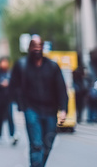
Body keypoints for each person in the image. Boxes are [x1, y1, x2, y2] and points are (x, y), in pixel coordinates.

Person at [10, 37, 68, 167]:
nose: (37, 48)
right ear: (29, 48)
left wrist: (63, 109)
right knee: (36, 144)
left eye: (40, 45)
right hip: (31, 109)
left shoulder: (52, 66)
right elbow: (13, 86)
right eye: (34, 46)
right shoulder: (22, 65)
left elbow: (61, 89)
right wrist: (21, 105)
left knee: (47, 145)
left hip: (50, 111)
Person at [0, 56, 17, 145]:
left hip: (8, 99)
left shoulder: (10, 73)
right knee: (0, 118)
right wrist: (0, 84)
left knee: (10, 117)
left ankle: (12, 135)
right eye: (3, 62)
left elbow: (14, 84)